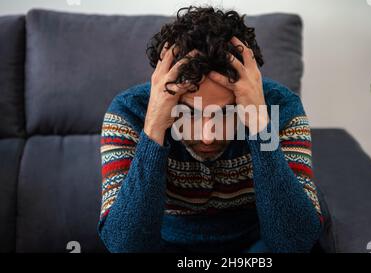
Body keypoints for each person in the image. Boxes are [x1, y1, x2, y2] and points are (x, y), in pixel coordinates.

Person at [98, 5, 324, 253]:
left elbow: (294, 244)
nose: (208, 136)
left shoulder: (282, 108)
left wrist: (261, 128)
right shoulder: (128, 112)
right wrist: (153, 129)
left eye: (225, 113)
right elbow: (125, 246)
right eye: (189, 113)